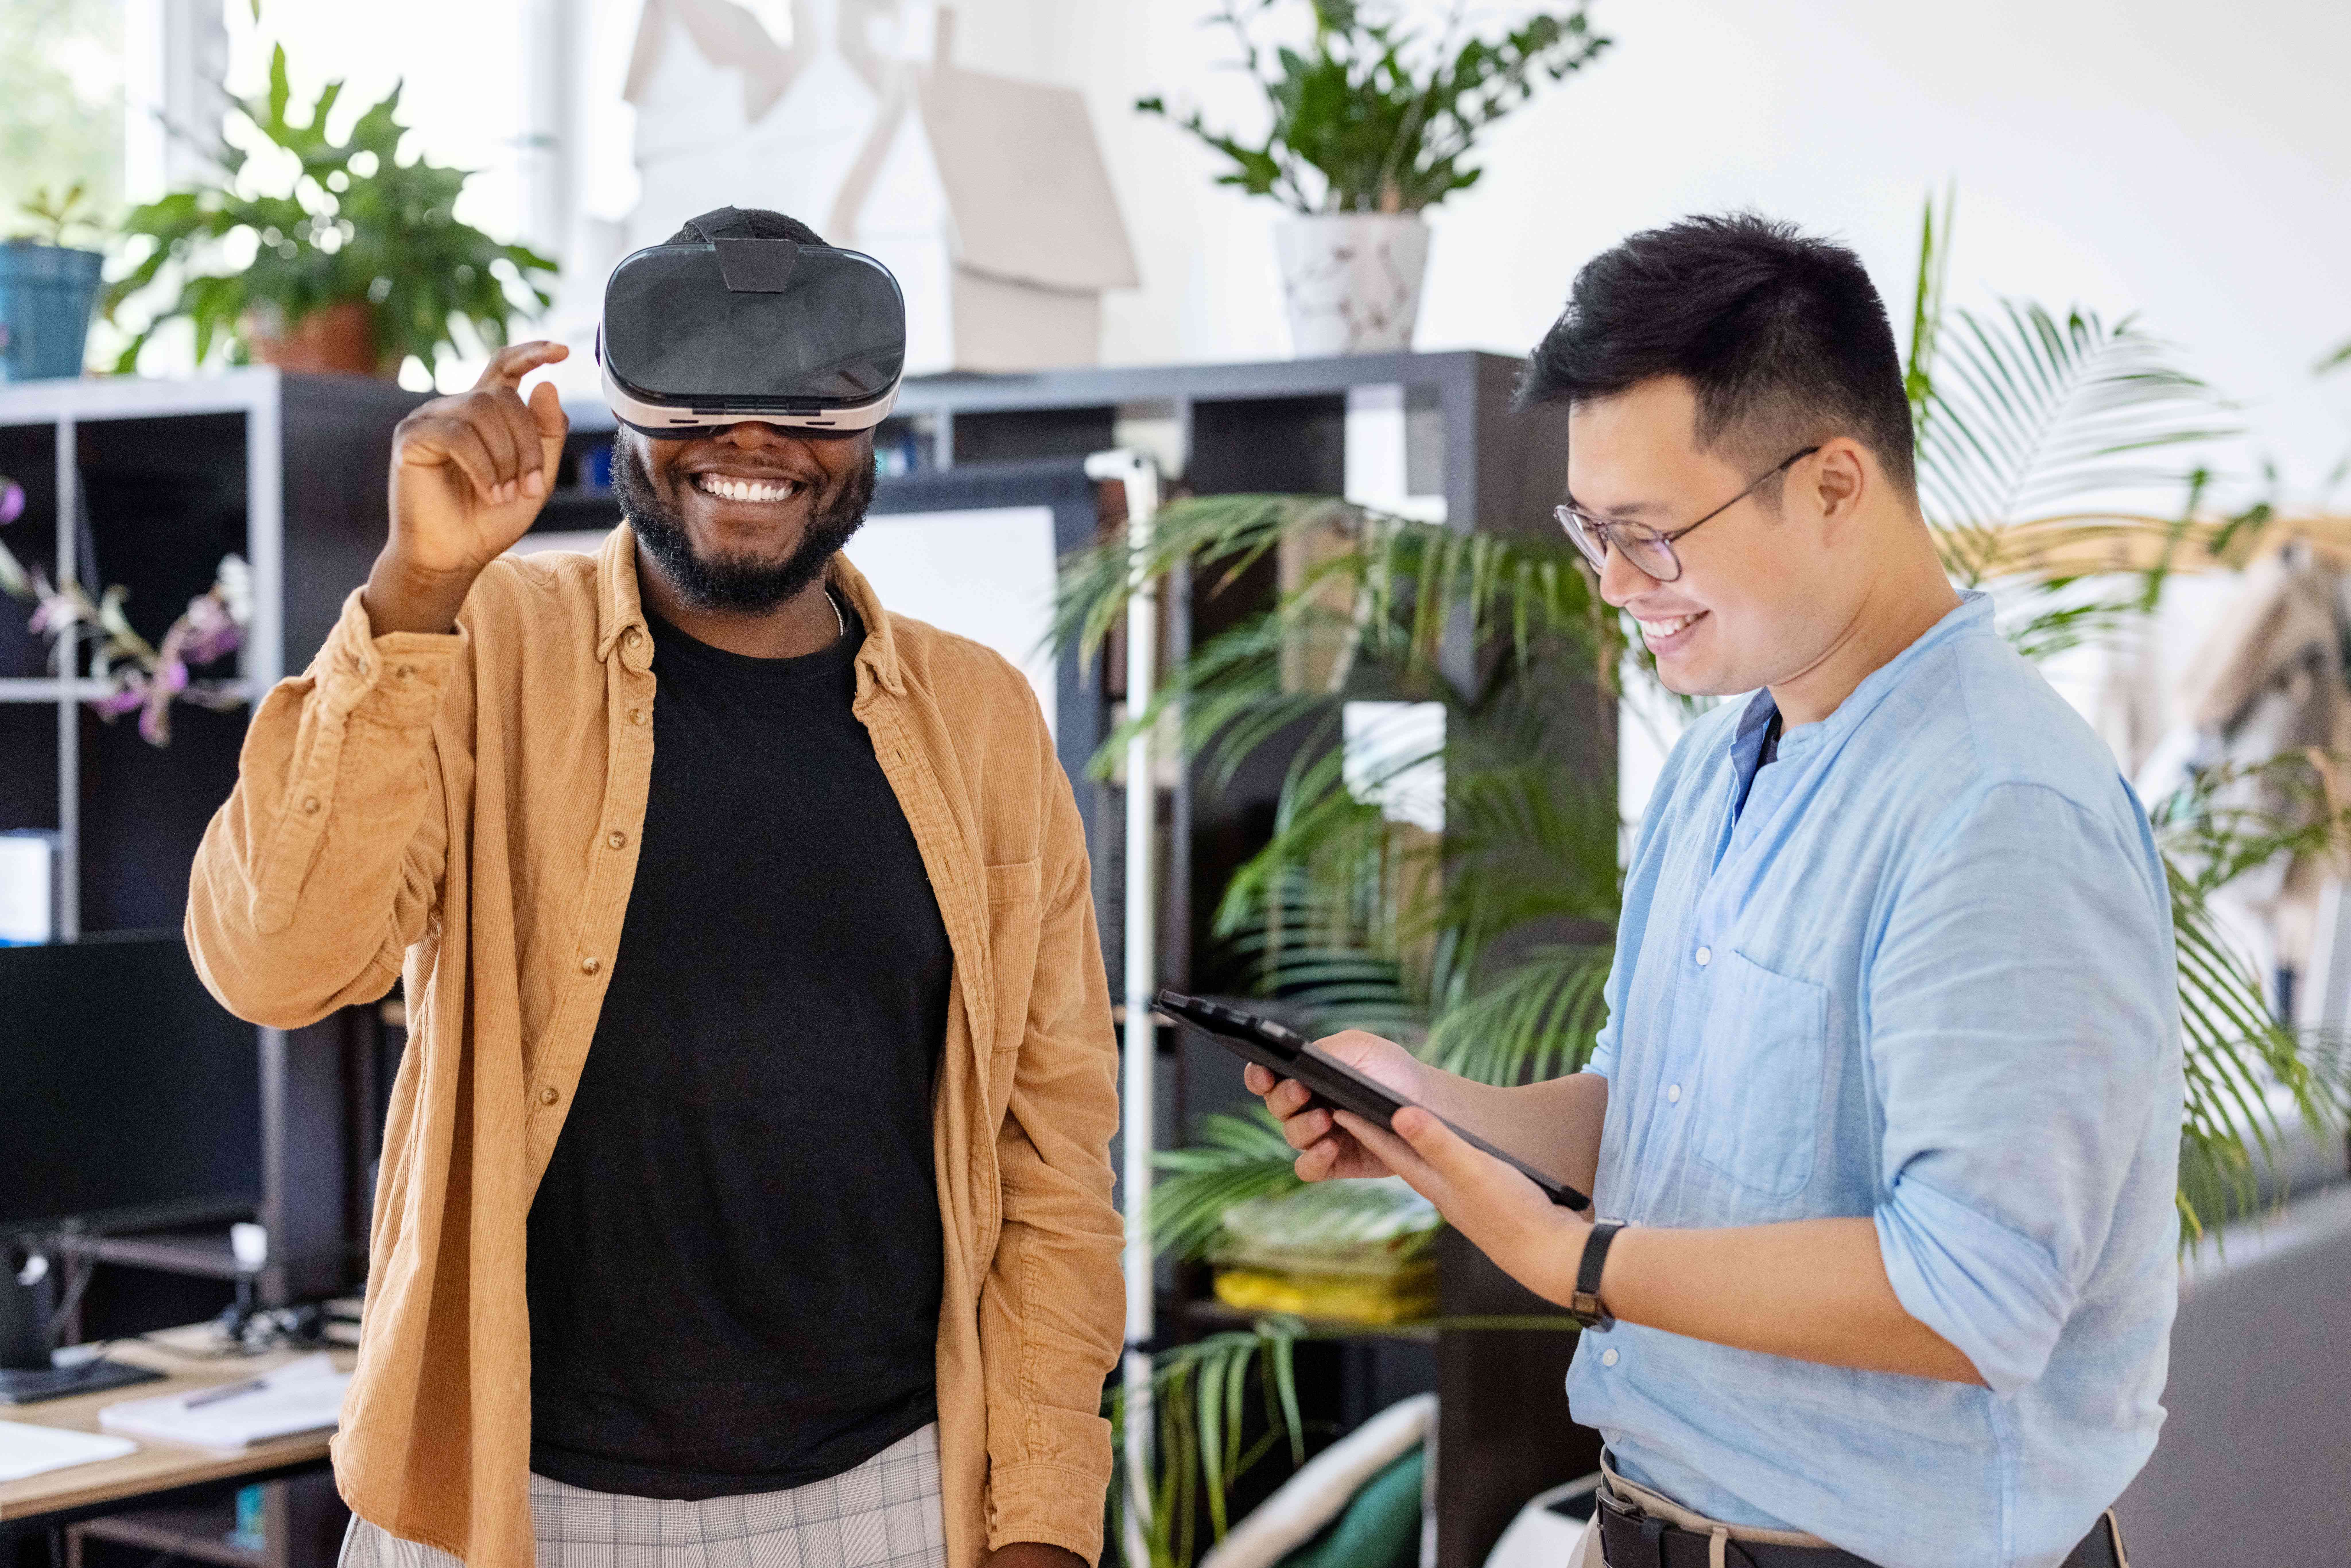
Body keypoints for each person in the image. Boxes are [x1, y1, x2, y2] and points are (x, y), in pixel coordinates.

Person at [188, 209, 1121, 1568]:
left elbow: (1050, 1155)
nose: (752, 444)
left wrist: (1041, 1523)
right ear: (620, 413)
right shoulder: (477, 644)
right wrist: (415, 585)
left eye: (802, 400)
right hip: (500, 1498)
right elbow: (270, 960)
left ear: (867, 425)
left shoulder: (980, 719)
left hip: (886, 1500)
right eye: (702, 395)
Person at [1244, 215, 2180, 1568]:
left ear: (1833, 486)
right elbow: (1658, 1117)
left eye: (1650, 534)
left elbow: (1970, 1294)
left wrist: (1571, 1258)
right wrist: (1433, 1113)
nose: (1616, 585)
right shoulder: (1715, 758)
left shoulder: (1999, 807)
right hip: (1649, 1523)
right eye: (1589, 529)